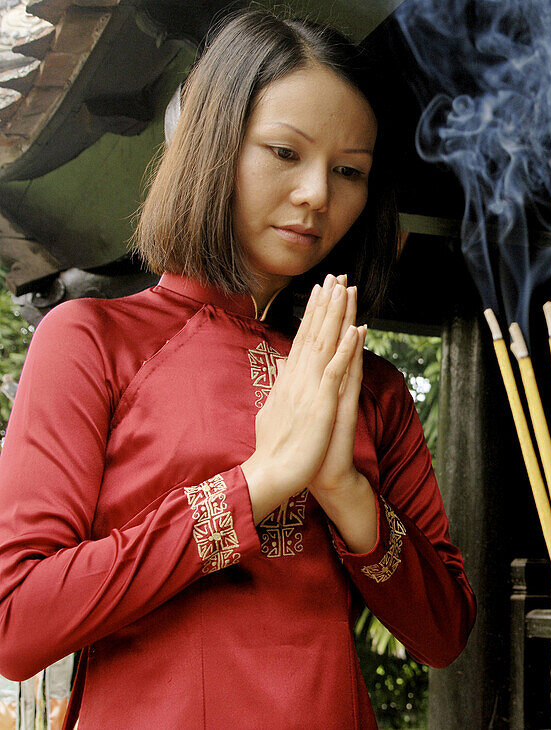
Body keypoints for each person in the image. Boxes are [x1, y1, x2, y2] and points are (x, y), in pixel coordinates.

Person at [0, 10, 475, 729]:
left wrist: (345, 490)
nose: (319, 193)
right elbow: (18, 621)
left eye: (349, 171)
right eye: (285, 152)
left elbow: (443, 633)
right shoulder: (93, 342)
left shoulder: (367, 388)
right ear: (211, 148)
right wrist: (255, 485)